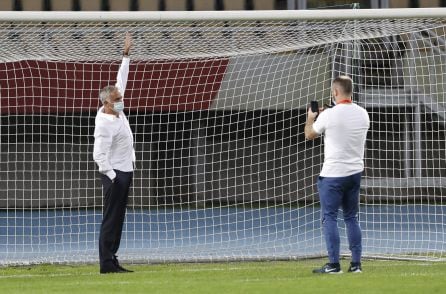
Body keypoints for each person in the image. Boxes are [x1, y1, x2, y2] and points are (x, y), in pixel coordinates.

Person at [305, 75, 370, 274]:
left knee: (329, 218)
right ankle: (356, 265)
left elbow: (309, 134)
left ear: (335, 92)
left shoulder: (328, 115)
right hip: (355, 172)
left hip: (333, 174)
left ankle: (333, 264)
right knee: (351, 217)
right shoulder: (363, 113)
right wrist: (329, 114)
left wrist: (311, 118)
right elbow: (344, 122)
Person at [93, 33, 135, 274]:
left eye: (120, 98)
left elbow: (122, 78)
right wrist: (112, 176)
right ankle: (106, 263)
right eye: (117, 100)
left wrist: (126, 54)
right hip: (115, 175)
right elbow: (99, 154)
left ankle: (112, 258)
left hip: (125, 169)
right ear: (107, 103)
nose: (121, 101)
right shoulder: (104, 123)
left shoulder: (115, 107)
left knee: (118, 219)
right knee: (111, 218)